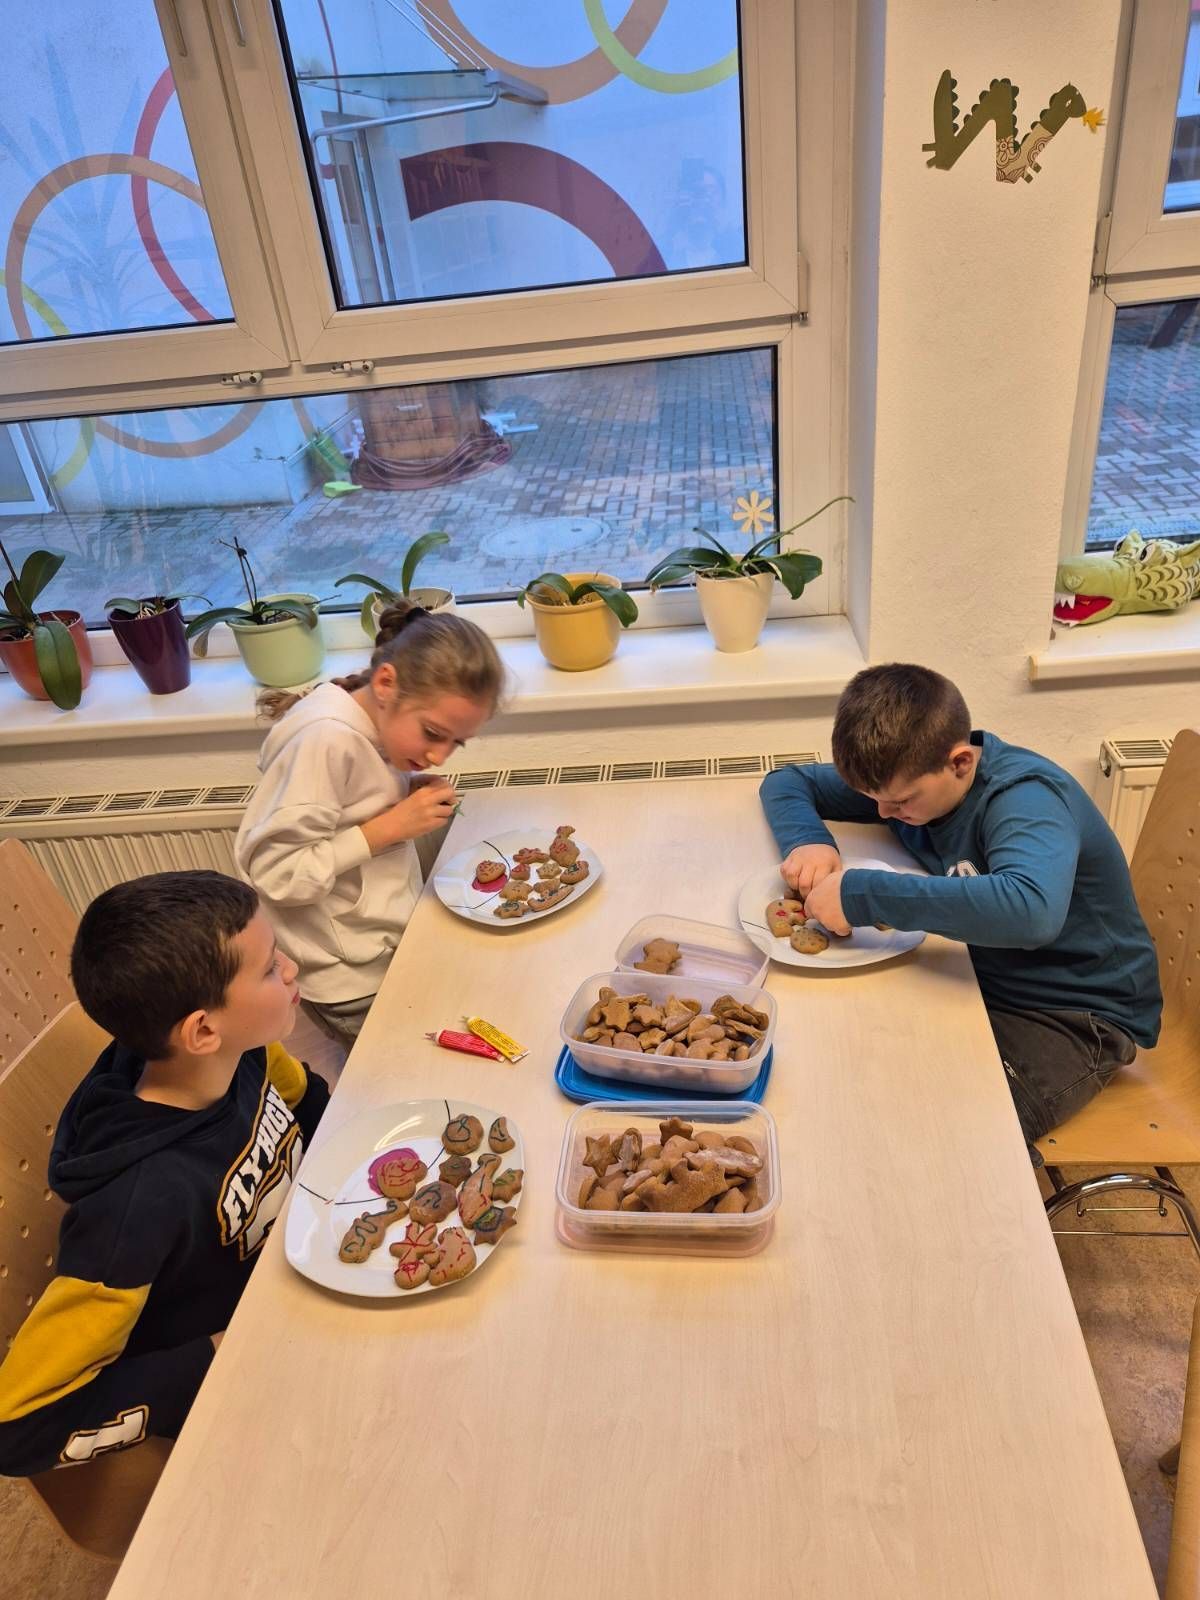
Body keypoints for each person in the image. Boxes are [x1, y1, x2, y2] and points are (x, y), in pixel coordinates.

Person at [0, 870, 328, 1475]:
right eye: (268, 969)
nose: (291, 968)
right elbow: (18, 1429)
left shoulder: (244, 1047)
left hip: (307, 1279)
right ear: (202, 1030)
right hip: (253, 1380)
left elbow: (307, 1105)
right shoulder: (134, 1207)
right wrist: (218, 1353)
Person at [760, 663, 1162, 1148]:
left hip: (1075, 1015)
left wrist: (862, 894)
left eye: (900, 802)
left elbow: (1031, 912)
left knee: (953, 1135)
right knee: (852, 1059)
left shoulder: (1026, 799)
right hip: (982, 974)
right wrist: (808, 841)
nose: (884, 813)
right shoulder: (907, 775)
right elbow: (786, 782)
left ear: (960, 763)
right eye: (873, 799)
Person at [236, 600, 504, 1048]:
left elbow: (344, 804)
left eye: (456, 743)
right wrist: (388, 828)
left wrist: (405, 787)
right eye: (433, 734)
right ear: (385, 683)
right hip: (349, 979)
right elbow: (276, 873)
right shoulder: (325, 740)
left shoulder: (372, 723)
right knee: (393, 1067)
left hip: (378, 948)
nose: (440, 755)